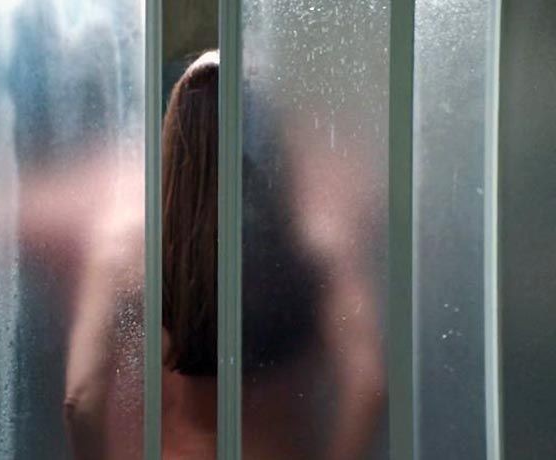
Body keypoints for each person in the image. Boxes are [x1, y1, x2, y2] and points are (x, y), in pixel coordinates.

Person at [64, 50, 386, 459]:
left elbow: (80, 399)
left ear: (174, 140)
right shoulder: (312, 248)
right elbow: (368, 382)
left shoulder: (127, 252)